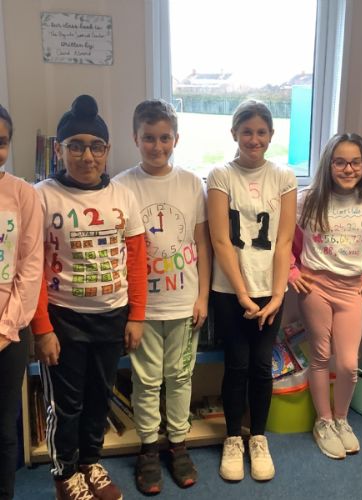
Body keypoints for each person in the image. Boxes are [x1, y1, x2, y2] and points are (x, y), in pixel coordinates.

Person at [31, 94, 147, 500]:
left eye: (96, 146)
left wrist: (136, 316)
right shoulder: (41, 196)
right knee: (67, 404)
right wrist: (42, 328)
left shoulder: (123, 196)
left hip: (112, 315)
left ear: (107, 150)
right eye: (76, 146)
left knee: (100, 397)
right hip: (63, 318)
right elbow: (33, 266)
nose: (87, 156)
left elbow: (137, 261)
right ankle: (65, 474)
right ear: (59, 150)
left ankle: (89, 463)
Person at [114, 99, 211, 493]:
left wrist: (202, 297)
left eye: (165, 138)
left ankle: (179, 443)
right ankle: (149, 448)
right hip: (143, 309)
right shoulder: (122, 185)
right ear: (135, 138)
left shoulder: (191, 183)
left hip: (184, 303)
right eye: (149, 138)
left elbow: (202, 244)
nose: (158, 146)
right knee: (147, 379)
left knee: (181, 376)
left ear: (176, 139)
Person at [207, 100, 297, 482]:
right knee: (237, 364)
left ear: (271, 135)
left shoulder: (284, 177)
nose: (254, 139)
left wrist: (277, 296)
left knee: (261, 366)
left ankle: (258, 437)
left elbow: (285, 239)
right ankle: (233, 438)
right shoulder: (220, 175)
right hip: (230, 291)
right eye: (247, 132)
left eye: (261, 132)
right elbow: (220, 240)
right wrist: (243, 294)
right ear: (234, 134)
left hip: (270, 290)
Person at [289, 133, 362, 459]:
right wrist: (292, 273)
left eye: (355, 162)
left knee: (347, 363)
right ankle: (324, 421)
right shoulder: (307, 200)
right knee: (320, 355)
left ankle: (341, 419)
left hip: (350, 289)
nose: (348, 169)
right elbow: (289, 243)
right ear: (329, 164)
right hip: (316, 287)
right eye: (340, 162)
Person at [0, 105, 44, 500]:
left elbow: (30, 269)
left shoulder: (23, 194)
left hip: (9, 333)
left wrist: (5, 328)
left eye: (1, 142)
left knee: (3, 427)